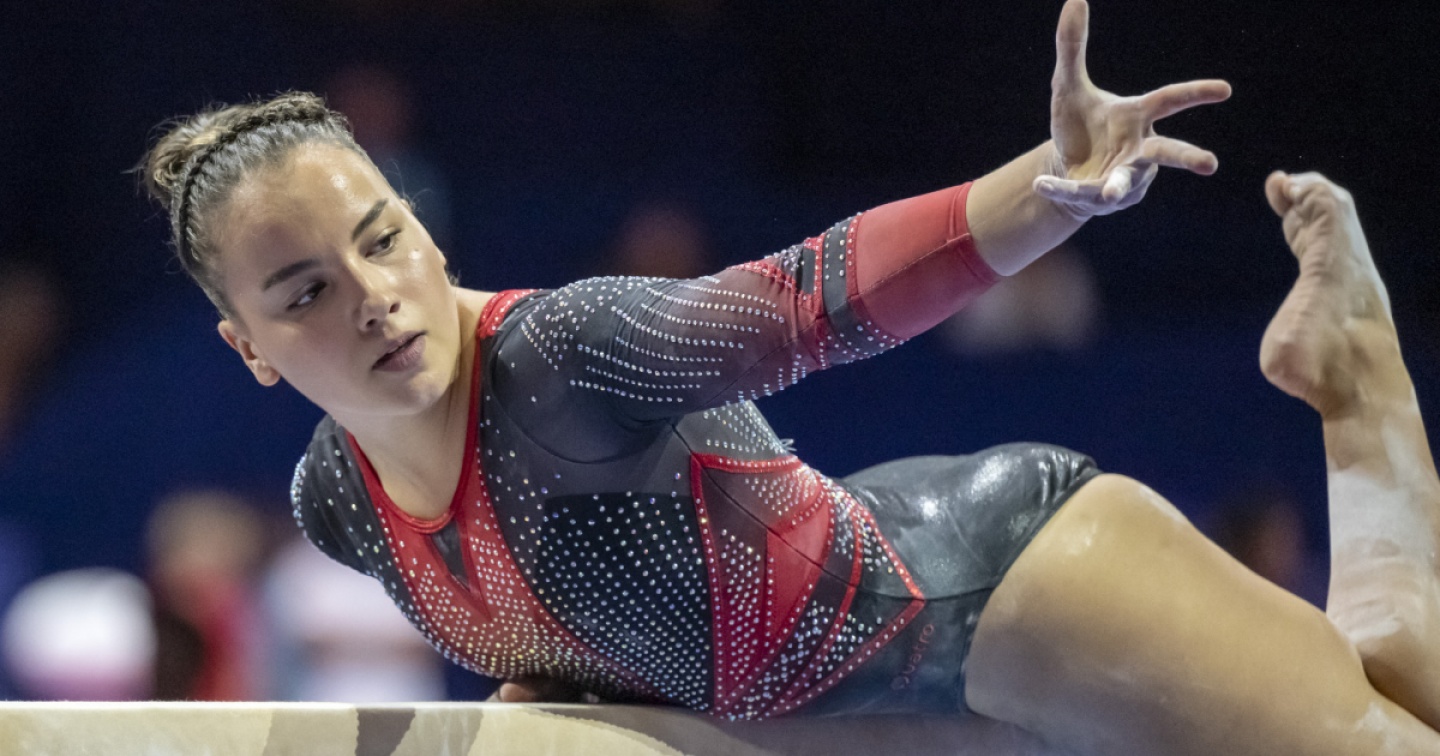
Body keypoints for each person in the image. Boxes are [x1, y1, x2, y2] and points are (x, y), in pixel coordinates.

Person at [139, 1, 1440, 752]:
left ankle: (1360, 377)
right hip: (876, 716)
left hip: (1018, 594)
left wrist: (1045, 194)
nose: (370, 297)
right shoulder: (340, 504)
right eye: (303, 293)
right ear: (249, 347)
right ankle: (1350, 378)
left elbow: (806, 302)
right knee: (1390, 698)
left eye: (380, 241)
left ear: (424, 235)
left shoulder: (564, 357)